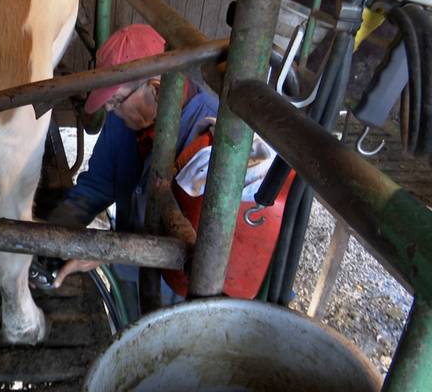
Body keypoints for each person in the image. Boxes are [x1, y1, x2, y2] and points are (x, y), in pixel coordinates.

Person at [41, 24, 283, 321]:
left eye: (116, 102)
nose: (113, 112)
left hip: (187, 295)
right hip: (130, 273)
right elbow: (96, 186)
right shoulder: (123, 124)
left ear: (156, 89)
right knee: (128, 329)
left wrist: (103, 250)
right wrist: (51, 235)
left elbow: (209, 245)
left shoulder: (216, 140)